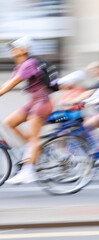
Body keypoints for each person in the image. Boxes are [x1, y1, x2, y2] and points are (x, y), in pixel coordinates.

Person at [1, 36, 54, 184]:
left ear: (24, 49)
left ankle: (28, 171)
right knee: (9, 122)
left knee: (34, 136)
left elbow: (12, 83)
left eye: (15, 47)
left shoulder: (29, 63)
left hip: (43, 101)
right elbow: (7, 83)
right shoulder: (19, 65)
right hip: (34, 101)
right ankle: (31, 151)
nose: (12, 50)